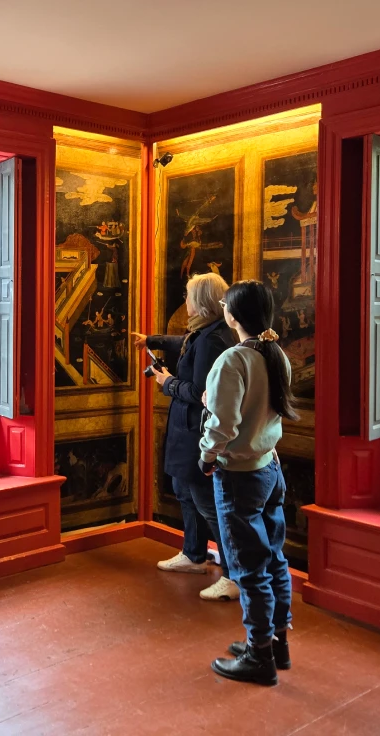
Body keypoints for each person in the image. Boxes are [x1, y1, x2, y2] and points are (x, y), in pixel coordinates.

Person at [199, 280, 298, 686]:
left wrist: (207, 455)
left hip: (239, 475)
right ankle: (276, 643)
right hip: (270, 468)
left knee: (248, 567)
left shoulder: (232, 360)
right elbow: (264, 413)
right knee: (273, 558)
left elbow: (224, 424)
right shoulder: (277, 355)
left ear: (233, 315)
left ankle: (259, 656)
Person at [132, 272, 238, 601]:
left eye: (190, 295)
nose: (186, 301)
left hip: (196, 430)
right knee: (183, 490)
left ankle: (234, 574)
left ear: (201, 301)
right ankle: (193, 554)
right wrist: (152, 340)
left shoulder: (212, 338)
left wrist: (167, 383)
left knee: (207, 502)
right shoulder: (205, 331)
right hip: (186, 428)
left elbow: (201, 391)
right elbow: (184, 345)